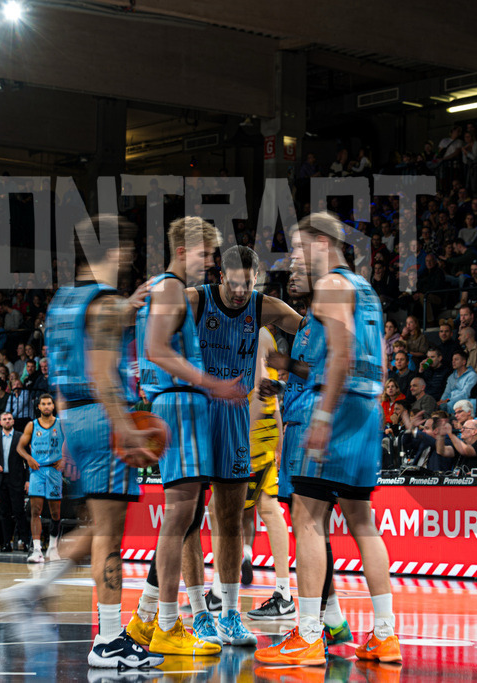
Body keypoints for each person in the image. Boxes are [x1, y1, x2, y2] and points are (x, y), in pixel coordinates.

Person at [0, 215, 165, 669]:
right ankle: (109, 639)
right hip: (104, 414)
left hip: (76, 416)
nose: (130, 255)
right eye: (126, 246)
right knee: (110, 534)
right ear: (111, 251)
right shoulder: (106, 304)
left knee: (97, 526)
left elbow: (67, 366)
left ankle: (33, 590)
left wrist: (71, 436)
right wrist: (125, 426)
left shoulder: (66, 301)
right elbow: (100, 373)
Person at [256, 213, 401, 667]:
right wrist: (292, 368)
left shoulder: (333, 286)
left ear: (322, 242)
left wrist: (321, 412)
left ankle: (309, 634)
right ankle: (384, 635)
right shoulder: (366, 291)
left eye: (299, 248)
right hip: (366, 409)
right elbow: (357, 357)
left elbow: (341, 352)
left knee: (307, 517)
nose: (295, 256)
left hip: (335, 410)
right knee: (362, 522)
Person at [128, 217, 244, 657]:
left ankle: (145, 618)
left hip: (178, 405)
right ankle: (166, 624)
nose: (212, 263)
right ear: (183, 250)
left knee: (189, 518)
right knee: (179, 519)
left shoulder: (161, 287)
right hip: (178, 403)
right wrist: (212, 383)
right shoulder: (171, 287)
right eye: (206, 254)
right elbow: (157, 350)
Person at [181, 245, 301, 643]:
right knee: (190, 519)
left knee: (232, 519)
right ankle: (199, 614)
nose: (239, 293)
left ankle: (230, 614)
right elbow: (156, 325)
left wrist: (291, 377)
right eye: (234, 285)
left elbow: (307, 328)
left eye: (247, 285)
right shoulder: (196, 299)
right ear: (220, 277)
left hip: (236, 415)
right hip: (197, 412)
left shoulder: (263, 306)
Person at [245, 327, 294, 621]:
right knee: (266, 508)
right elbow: (273, 397)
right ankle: (284, 591)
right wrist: (279, 444)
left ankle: (218, 591)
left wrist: (248, 436)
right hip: (265, 429)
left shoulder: (255, 332)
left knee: (225, 507)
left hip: (249, 429)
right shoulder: (267, 337)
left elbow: (262, 387)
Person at [18, 394, 66, 564]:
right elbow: (19, 447)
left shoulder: (61, 424)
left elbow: (73, 442)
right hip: (37, 471)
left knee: (55, 513)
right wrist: (28, 458)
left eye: (49, 403)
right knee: (35, 511)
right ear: (38, 406)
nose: (46, 406)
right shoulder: (32, 425)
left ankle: (53, 547)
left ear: (53, 406)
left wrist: (65, 458)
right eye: (43, 403)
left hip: (54, 471)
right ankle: (37, 549)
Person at [0, 412, 29, 552]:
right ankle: (6, 543)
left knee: (19, 511)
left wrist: (27, 480)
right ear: (0, 422)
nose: (7, 421)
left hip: (16, 479)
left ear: (13, 421)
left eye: (9, 419)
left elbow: (28, 459)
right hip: (1, 479)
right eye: (5, 419)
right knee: (4, 513)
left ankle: (26, 542)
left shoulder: (20, 436)